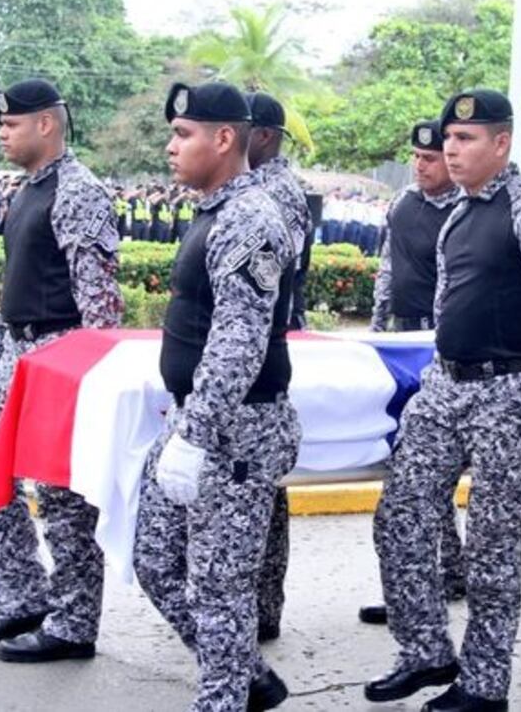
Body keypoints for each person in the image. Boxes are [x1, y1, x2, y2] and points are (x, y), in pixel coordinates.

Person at [367, 90, 521, 712]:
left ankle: (485, 685)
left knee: (493, 548)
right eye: (448, 139)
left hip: (510, 393)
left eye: (466, 139)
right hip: (448, 384)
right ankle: (426, 652)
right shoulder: (459, 214)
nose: (451, 149)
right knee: (401, 517)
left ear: (502, 143)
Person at [133, 81, 298, 712]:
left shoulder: (251, 218)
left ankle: (225, 697)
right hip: (196, 423)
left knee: (219, 587)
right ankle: (247, 676)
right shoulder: (216, 211)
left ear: (224, 138)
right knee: (155, 560)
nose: (171, 147)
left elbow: (238, 342)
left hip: (237, 431)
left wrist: (195, 433)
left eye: (183, 135)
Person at [0, 78, 123, 663]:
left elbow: (100, 302)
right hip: (17, 354)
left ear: (46, 125)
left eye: (11, 125)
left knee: (61, 498)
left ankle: (75, 622)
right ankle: (22, 599)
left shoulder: (79, 192)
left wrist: (90, 374)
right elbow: (16, 285)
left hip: (61, 358)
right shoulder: (28, 189)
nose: (2, 133)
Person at [361, 119, 466, 628]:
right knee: (411, 466)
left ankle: (439, 573)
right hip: (398, 340)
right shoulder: (404, 205)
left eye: (431, 158)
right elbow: (388, 268)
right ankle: (430, 575)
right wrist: (376, 331)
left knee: (426, 470)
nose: (421, 166)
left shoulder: (463, 211)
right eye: (417, 158)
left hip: (436, 344)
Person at [243, 90, 310, 645]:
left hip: (264, 348)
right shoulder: (248, 186)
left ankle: (264, 605)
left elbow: (271, 282)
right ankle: (255, 604)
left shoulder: (278, 193)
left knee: (263, 489)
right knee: (260, 490)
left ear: (263, 134)